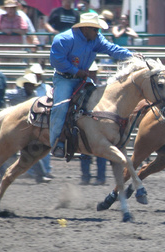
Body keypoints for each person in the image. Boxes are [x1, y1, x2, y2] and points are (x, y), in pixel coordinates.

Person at [49, 12, 136, 158]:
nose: (98, 32)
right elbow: (56, 61)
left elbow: (112, 49)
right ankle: (57, 142)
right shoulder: (63, 39)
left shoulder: (96, 39)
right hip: (65, 79)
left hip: (83, 79)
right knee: (61, 106)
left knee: (99, 104)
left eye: (98, 30)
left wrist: (132, 56)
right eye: (96, 29)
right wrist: (76, 71)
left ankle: (92, 137)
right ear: (86, 28)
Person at [80, 61, 107, 185]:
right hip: (87, 122)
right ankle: (87, 176)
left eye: (94, 72)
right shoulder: (83, 87)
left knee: (100, 150)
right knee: (85, 149)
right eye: (91, 72)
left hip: (98, 123)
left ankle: (99, 177)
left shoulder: (100, 88)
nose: (92, 74)